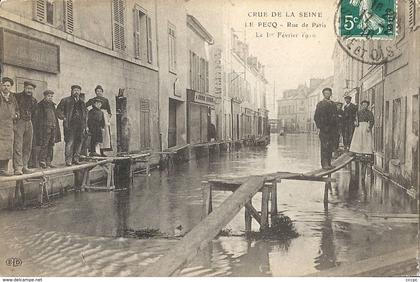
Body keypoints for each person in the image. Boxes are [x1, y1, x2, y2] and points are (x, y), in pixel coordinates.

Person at [57, 85, 87, 166]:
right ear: (71, 91)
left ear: (80, 92)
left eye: (78, 90)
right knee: (70, 143)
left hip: (80, 126)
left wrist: (85, 126)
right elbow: (58, 110)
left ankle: (76, 159)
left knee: (79, 142)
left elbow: (85, 115)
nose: (76, 92)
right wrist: (64, 117)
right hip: (70, 125)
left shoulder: (82, 102)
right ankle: (68, 160)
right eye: (75, 90)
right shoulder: (65, 100)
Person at [13, 81, 38, 175]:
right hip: (20, 122)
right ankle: (18, 168)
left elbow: (35, 113)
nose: (29, 90)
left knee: (28, 146)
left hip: (29, 122)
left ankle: (24, 166)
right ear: (24, 88)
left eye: (31, 89)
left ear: (33, 90)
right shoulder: (17, 97)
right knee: (18, 145)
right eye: (27, 88)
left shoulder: (34, 100)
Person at [34, 90, 61, 169]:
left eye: (51, 96)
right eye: (49, 96)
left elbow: (55, 117)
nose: (50, 98)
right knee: (44, 145)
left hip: (53, 128)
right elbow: (38, 119)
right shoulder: (40, 105)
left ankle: (49, 162)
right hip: (45, 129)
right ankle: (42, 161)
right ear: (45, 96)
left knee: (51, 144)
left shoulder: (52, 105)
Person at [314, 87, 338, 170]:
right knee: (324, 146)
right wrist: (320, 127)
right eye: (326, 93)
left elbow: (335, 117)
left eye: (329, 93)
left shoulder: (333, 104)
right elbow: (316, 117)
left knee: (330, 147)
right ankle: (324, 164)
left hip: (332, 130)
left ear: (331, 94)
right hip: (324, 129)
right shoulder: (320, 104)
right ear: (323, 94)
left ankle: (329, 163)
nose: (327, 95)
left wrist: (336, 127)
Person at [86, 85, 112, 156]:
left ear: (102, 92)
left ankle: (102, 151)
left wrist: (108, 118)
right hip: (95, 118)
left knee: (104, 135)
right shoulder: (93, 100)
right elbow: (85, 105)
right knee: (95, 135)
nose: (99, 92)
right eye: (97, 91)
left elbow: (109, 111)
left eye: (100, 91)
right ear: (95, 92)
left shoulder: (105, 100)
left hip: (104, 117)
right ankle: (95, 151)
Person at [0, 77, 19, 176]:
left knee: (7, 149)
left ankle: (4, 170)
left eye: (8, 85)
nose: (6, 87)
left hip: (9, 127)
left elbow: (17, 110)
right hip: (0, 126)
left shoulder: (12, 98)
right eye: (4, 85)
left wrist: (16, 115)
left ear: (11, 87)